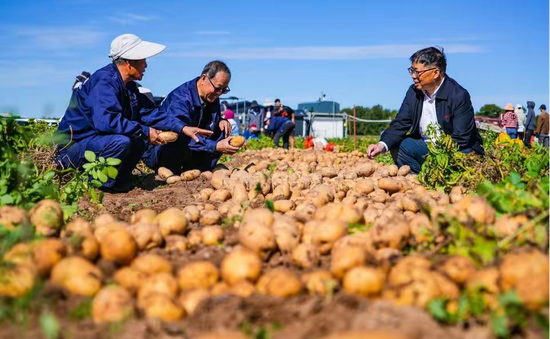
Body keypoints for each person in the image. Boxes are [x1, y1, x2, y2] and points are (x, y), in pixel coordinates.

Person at [55, 33, 166, 192]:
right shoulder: (105, 82)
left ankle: (119, 181)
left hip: (94, 143)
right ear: (128, 63)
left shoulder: (129, 86)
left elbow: (148, 114)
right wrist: (145, 130)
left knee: (138, 140)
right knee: (121, 141)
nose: (146, 65)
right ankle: (96, 186)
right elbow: (107, 122)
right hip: (72, 148)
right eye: (143, 60)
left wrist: (182, 127)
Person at [366, 47, 484, 174]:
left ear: (435, 73)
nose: (413, 76)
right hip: (427, 149)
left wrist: (437, 156)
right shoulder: (414, 92)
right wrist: (381, 145)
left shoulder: (458, 95)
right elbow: (400, 123)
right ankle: (417, 180)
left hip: (456, 151)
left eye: (417, 72)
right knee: (398, 144)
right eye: (412, 71)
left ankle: (444, 176)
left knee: (465, 155)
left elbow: (462, 138)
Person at [142, 60, 237, 173]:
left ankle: (199, 169)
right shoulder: (181, 99)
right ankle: (169, 169)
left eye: (224, 90)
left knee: (223, 129)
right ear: (204, 79)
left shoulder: (211, 96)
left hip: (189, 147)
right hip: (160, 151)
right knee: (178, 134)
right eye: (217, 88)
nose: (219, 93)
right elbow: (183, 132)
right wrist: (215, 146)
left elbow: (208, 122)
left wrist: (221, 121)